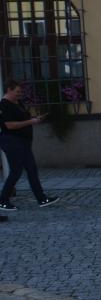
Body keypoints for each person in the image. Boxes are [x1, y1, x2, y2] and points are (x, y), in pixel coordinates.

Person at [0, 79, 60, 211]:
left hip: (23, 142)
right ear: (9, 90)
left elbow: (24, 119)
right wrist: (30, 122)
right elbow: (9, 125)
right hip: (12, 141)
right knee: (16, 171)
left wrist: (35, 119)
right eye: (17, 91)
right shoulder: (4, 105)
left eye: (20, 91)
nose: (20, 94)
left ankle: (42, 199)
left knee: (32, 170)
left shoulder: (18, 103)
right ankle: (3, 200)